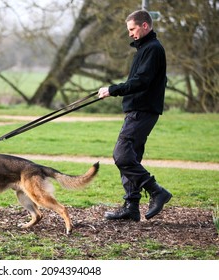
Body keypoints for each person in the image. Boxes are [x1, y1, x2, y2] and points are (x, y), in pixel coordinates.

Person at [98, 10, 172, 221]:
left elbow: (141, 81)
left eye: (132, 29)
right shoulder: (146, 49)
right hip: (139, 110)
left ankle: (156, 190)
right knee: (131, 156)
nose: (130, 34)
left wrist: (114, 89)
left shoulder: (153, 49)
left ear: (145, 26)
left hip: (142, 111)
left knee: (121, 155)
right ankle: (131, 206)